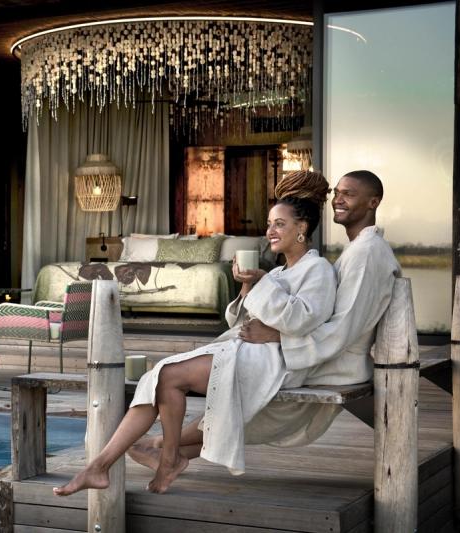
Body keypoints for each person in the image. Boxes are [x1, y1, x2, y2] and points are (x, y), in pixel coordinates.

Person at [54, 170, 338, 496]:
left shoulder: (318, 270)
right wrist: (248, 286)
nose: (270, 231)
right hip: (245, 349)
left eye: (280, 224)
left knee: (169, 376)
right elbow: (241, 320)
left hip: (273, 361)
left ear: (302, 228)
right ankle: (104, 466)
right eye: (269, 224)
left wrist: (262, 286)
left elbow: (302, 320)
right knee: (159, 376)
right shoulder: (279, 272)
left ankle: (160, 459)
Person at [129, 169, 401, 474]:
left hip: (334, 363)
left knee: (241, 390)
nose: (338, 199)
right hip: (314, 351)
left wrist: (277, 337)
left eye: (348, 194)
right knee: (237, 386)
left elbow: (343, 329)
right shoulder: (356, 250)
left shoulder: (365, 253)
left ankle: (161, 445)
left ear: (373, 202)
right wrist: (251, 289)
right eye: (337, 193)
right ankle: (166, 450)